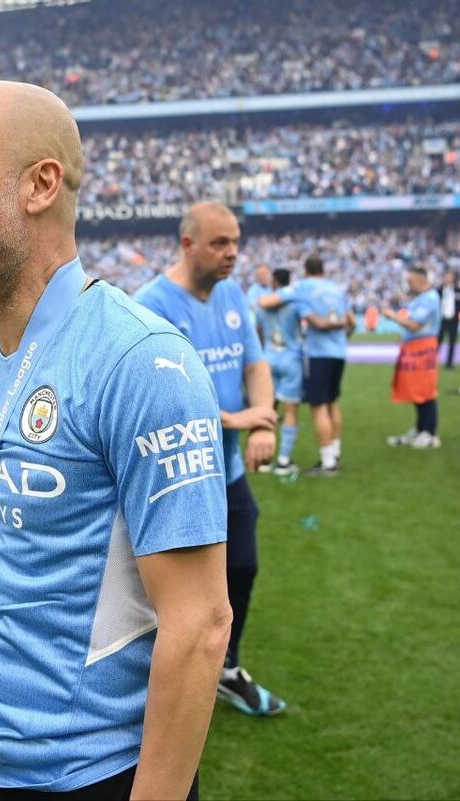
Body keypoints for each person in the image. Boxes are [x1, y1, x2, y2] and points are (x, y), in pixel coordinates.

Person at [0, 81, 232, 800]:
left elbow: (200, 625)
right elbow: (43, 479)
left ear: (40, 185)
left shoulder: (141, 361)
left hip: (85, 771)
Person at [135, 202, 287, 719]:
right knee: (164, 592)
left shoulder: (233, 295)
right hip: (174, 473)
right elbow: (165, 400)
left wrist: (262, 420)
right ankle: (150, 685)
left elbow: (256, 365)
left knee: (242, 565)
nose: (232, 253)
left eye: (236, 242)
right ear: (187, 244)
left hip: (227, 470)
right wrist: (244, 420)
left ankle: (224, 668)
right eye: (220, 243)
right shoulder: (151, 305)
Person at [259, 254, 354, 476]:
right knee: (332, 402)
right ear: (323, 269)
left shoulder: (301, 288)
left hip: (317, 354)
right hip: (339, 353)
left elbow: (266, 303)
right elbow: (352, 323)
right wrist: (341, 332)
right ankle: (334, 452)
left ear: (306, 270)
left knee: (317, 406)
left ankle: (327, 463)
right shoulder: (336, 289)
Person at [383, 267, 442, 449]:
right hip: (416, 347)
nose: (408, 285)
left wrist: (393, 316)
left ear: (421, 280)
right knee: (417, 388)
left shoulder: (429, 298)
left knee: (425, 388)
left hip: (423, 350)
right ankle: (421, 429)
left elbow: (415, 324)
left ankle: (429, 433)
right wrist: (405, 338)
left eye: (411, 281)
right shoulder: (422, 298)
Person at [257, 268, 304, 475]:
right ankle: (284, 461)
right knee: (290, 410)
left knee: (268, 408)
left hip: (269, 358)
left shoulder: (262, 304)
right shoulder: (294, 304)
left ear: (273, 281)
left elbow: (258, 331)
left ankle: (264, 459)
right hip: (291, 359)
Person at [439, 270, 457, 370]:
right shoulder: (439, 290)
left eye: (449, 277)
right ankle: (432, 361)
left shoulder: (457, 290)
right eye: (446, 276)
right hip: (441, 320)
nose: (448, 279)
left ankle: (449, 363)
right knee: (438, 341)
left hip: (453, 320)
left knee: (452, 342)